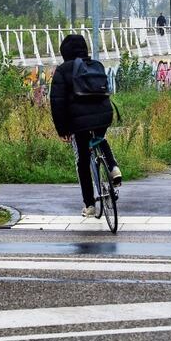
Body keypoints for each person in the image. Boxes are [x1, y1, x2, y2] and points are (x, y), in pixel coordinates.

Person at [49, 33, 121, 217]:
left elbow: (57, 102)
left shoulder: (63, 70)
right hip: (104, 115)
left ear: (64, 52)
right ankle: (113, 167)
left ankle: (90, 205)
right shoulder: (96, 66)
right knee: (99, 138)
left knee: (82, 160)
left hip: (79, 122)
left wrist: (62, 130)